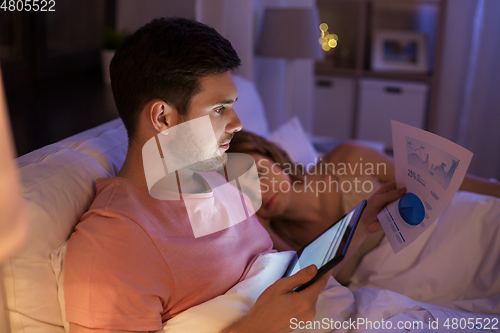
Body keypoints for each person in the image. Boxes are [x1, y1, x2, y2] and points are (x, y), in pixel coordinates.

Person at [64, 17, 406, 333]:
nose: (237, 123)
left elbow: (283, 267)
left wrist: (354, 231)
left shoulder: (221, 184)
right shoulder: (116, 245)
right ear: (163, 118)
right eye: (219, 109)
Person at [226, 130, 500, 284]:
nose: (262, 193)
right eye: (248, 195)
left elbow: (438, 183)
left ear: (272, 156)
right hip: (422, 276)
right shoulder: (282, 244)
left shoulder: (348, 158)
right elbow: (300, 284)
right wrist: (259, 225)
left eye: (259, 174)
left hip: (451, 225)